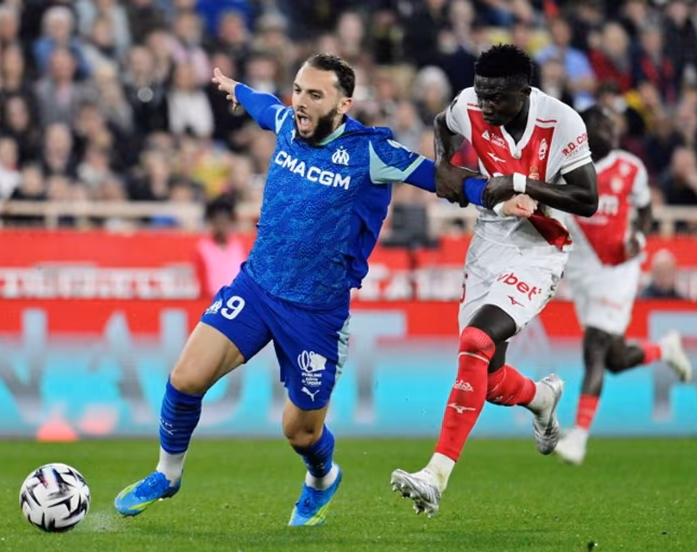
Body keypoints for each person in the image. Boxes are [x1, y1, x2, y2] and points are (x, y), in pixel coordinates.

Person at [113, 53, 533, 526]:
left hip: (316, 314)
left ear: (343, 103)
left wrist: (499, 195)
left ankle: (322, 477)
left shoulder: (370, 152)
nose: (301, 103)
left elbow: (441, 178)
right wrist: (236, 89)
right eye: (298, 90)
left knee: (299, 432)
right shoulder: (288, 123)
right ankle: (167, 475)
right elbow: (263, 105)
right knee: (185, 378)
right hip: (257, 287)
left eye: (315, 94)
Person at [391, 44, 600, 517]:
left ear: (524, 91)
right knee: (485, 376)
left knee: (476, 339)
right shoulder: (468, 103)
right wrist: (445, 162)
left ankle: (435, 475)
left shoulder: (562, 120)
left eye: (497, 99)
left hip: (540, 247)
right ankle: (542, 398)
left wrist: (520, 183)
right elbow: (442, 123)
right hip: (488, 242)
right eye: (482, 96)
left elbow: (587, 199)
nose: (485, 107)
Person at [555, 109, 692, 465]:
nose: (610, 132)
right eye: (601, 126)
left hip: (618, 268)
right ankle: (664, 349)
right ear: (582, 133)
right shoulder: (564, 168)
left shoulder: (630, 167)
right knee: (614, 359)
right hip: (583, 270)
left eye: (611, 126)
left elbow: (645, 210)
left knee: (595, 346)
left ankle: (579, 437)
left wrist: (640, 236)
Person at [195, 194, 246, 298]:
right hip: (212, 302)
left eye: (225, 222)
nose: (222, 227)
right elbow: (201, 281)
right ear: (213, 223)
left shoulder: (238, 246)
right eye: (219, 222)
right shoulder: (203, 248)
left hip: (236, 301)